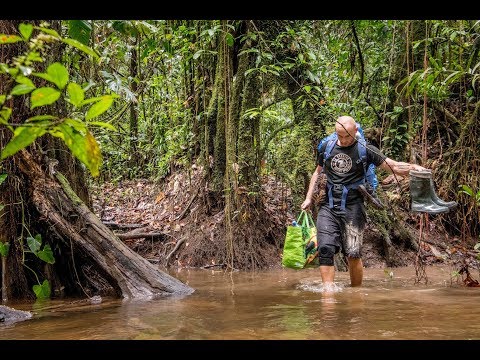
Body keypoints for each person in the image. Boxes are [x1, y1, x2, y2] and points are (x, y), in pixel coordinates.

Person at [301, 115, 427, 288]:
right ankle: (327, 295)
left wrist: (413, 168)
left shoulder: (366, 149)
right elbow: (317, 172)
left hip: (354, 206)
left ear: (355, 131)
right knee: (325, 249)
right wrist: (308, 198)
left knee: (353, 253)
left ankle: (356, 293)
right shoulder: (326, 146)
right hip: (328, 205)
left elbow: (394, 166)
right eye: (340, 136)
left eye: (347, 136)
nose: (344, 140)